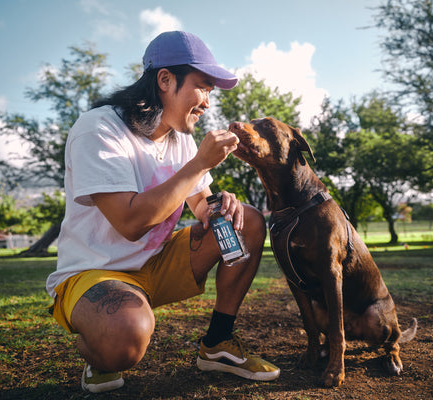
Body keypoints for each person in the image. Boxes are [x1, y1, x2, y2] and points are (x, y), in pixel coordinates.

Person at [46, 31, 280, 394]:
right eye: (202, 87)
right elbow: (130, 223)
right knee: (125, 338)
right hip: (95, 274)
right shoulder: (98, 129)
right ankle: (97, 347)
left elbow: (199, 202)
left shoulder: (179, 136)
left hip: (157, 264)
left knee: (245, 220)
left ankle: (217, 343)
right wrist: (198, 163)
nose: (206, 103)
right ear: (165, 80)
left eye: (210, 92)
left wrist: (219, 206)